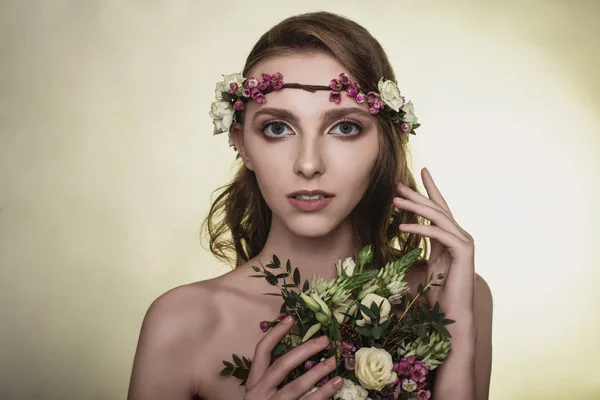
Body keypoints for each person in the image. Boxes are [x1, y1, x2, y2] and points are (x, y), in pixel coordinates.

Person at [127, 11, 493, 400]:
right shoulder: (182, 324)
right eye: (277, 128)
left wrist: (455, 331)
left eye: (345, 127)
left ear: (384, 142)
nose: (308, 164)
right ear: (241, 143)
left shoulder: (455, 296)